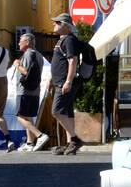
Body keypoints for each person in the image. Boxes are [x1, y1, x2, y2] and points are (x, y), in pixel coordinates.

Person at [50, 13, 83, 155]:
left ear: (65, 25)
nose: (54, 24)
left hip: (65, 82)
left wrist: (68, 81)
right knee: (67, 112)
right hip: (61, 81)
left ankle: (75, 139)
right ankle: (70, 144)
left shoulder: (69, 40)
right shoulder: (62, 40)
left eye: (57, 23)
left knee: (56, 111)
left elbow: (73, 60)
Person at [13, 33, 49, 151]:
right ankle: (29, 143)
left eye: (20, 41)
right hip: (35, 90)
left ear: (27, 42)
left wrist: (17, 65)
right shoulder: (39, 55)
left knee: (19, 116)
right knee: (28, 117)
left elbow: (26, 72)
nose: (18, 43)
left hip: (24, 90)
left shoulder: (28, 54)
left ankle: (40, 135)